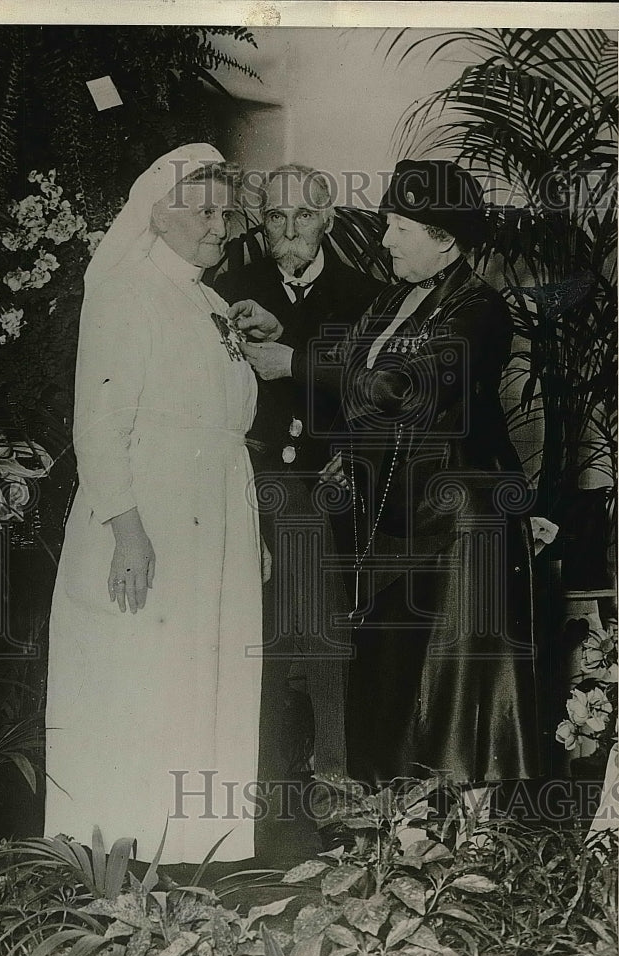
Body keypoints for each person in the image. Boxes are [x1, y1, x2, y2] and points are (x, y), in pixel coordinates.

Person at [231, 158, 541, 800]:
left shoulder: (479, 309)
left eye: (400, 227)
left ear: (444, 237)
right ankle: (403, 833)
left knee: (452, 687)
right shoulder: (395, 298)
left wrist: (292, 361)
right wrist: (280, 334)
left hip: (460, 524)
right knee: (395, 677)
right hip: (396, 523)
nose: (386, 240)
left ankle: (468, 838)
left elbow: (405, 387)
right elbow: (349, 365)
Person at [45, 144, 266, 865]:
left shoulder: (204, 301)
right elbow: (100, 425)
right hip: (148, 511)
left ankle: (190, 849)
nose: (219, 225)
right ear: (156, 216)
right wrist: (129, 534)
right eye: (201, 211)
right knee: (137, 672)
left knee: (199, 675)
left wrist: (248, 527)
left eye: (225, 211)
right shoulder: (127, 291)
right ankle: (112, 854)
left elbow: (221, 419)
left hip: (215, 513)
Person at [214, 166, 383, 825]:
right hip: (249, 480)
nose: (289, 232)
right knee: (257, 627)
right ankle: (268, 775)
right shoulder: (231, 291)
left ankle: (328, 773)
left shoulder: (366, 297)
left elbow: (379, 395)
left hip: (329, 484)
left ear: (329, 220)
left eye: (303, 218)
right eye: (276, 219)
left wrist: (352, 450)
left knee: (316, 620)